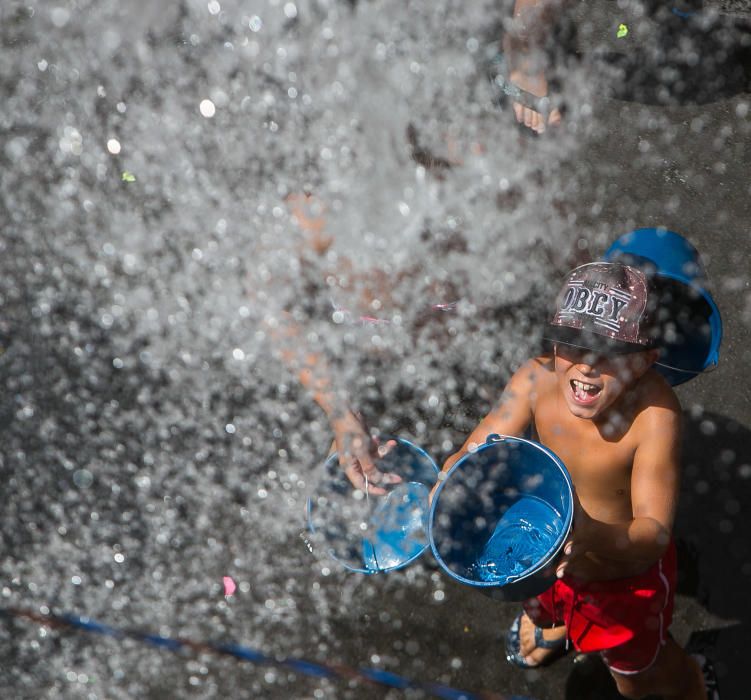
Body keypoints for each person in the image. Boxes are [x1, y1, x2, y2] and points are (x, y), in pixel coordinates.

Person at [437, 261, 718, 699]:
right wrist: (450, 475)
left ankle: (691, 681)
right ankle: (555, 622)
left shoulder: (653, 418)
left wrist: (589, 535)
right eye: (573, 344)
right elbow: (482, 447)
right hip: (544, 553)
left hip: (619, 574)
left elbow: (653, 535)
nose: (587, 366)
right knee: (544, 606)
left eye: (609, 353)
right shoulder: (535, 378)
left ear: (645, 361)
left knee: (636, 678)